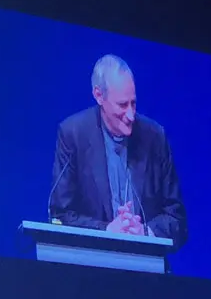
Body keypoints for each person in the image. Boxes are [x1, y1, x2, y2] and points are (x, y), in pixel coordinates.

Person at [49, 54, 187, 251]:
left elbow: (177, 219)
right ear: (99, 96)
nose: (130, 115)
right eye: (122, 105)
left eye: (133, 103)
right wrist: (106, 231)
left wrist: (145, 232)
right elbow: (60, 215)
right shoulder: (73, 135)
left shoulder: (155, 137)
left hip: (146, 262)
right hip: (91, 261)